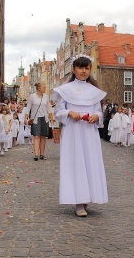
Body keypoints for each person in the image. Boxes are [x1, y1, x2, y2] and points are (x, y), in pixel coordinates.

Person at [53, 55, 108, 217]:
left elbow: (99, 111)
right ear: (73, 69)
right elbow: (58, 111)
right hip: (73, 132)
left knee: (90, 161)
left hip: (89, 132)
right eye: (80, 67)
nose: (83, 71)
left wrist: (97, 117)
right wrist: (70, 112)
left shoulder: (94, 92)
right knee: (76, 163)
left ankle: (87, 197)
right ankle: (78, 202)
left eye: (86, 68)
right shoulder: (65, 90)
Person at [26, 83, 52, 160]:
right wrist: (25, 117)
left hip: (44, 118)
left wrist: (51, 117)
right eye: (44, 87)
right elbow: (28, 107)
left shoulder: (46, 97)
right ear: (39, 88)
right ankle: (36, 154)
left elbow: (49, 107)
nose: (45, 89)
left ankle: (42, 154)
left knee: (43, 136)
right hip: (35, 118)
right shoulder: (32, 96)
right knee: (36, 136)